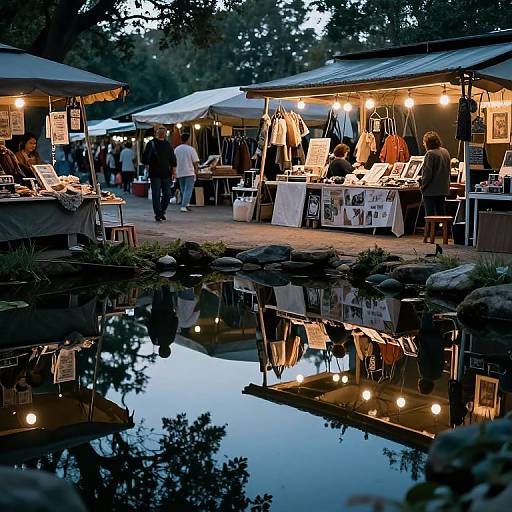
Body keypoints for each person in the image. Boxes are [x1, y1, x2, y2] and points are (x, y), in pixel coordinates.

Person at [142, 125, 177, 222]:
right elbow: (145, 159)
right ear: (156, 133)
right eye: (160, 131)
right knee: (156, 194)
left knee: (167, 194)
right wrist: (148, 168)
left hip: (166, 173)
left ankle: (162, 211)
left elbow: (172, 159)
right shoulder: (151, 143)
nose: (162, 133)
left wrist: (174, 172)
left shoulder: (168, 145)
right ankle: (158, 213)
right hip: (155, 173)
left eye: (163, 131)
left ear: (165, 133)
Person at [419, 131, 450, 216]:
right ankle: (441, 228)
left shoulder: (430, 154)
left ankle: (430, 229)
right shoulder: (445, 152)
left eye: (424, 143)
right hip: (443, 189)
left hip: (431, 191)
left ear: (428, 143)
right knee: (441, 212)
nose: (424, 145)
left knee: (430, 215)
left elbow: (427, 174)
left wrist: (422, 186)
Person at [174, 132, 199, 212]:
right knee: (188, 189)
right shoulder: (191, 149)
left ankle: (186, 203)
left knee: (183, 189)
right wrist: (196, 170)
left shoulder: (176, 149)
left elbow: (173, 161)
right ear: (188, 140)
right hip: (189, 171)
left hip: (180, 171)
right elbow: (195, 162)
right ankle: (184, 206)